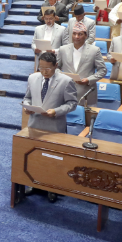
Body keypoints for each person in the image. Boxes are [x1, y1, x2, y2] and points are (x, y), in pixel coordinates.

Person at [21, 52, 78, 203]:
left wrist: (56, 111)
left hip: (54, 127)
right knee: (34, 156)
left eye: (48, 69)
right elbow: (27, 97)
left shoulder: (66, 81)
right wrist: (27, 106)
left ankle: (52, 188)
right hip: (35, 125)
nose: (44, 71)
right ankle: (34, 183)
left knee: (53, 159)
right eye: (41, 68)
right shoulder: (33, 77)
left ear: (56, 66)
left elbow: (72, 103)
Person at [56, 21, 106, 105]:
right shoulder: (63, 49)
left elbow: (102, 70)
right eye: (74, 34)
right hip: (66, 91)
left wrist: (89, 80)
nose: (76, 37)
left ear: (86, 36)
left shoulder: (94, 50)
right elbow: (56, 68)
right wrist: (61, 77)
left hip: (85, 93)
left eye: (80, 34)